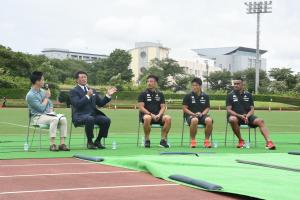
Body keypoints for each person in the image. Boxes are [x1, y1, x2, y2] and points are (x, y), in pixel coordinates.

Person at [69, 71, 117, 149]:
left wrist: (108, 95)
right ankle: (90, 142)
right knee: (89, 119)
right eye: (82, 77)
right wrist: (87, 96)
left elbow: (100, 103)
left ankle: (98, 141)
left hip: (93, 115)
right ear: (77, 80)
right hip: (80, 116)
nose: (84, 79)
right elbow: (77, 104)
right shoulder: (73, 91)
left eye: (85, 77)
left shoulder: (92, 90)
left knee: (106, 120)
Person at [226, 77, 276, 150]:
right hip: (236, 116)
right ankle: (241, 140)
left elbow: (252, 109)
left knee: (260, 121)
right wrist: (240, 116)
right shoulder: (230, 95)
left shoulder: (248, 94)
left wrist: (247, 116)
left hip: (248, 116)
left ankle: (269, 142)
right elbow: (229, 110)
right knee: (232, 119)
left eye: (238, 84)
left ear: (243, 84)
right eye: (235, 84)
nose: (236, 85)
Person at [26, 71, 69, 151]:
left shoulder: (42, 91)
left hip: (48, 115)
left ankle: (62, 144)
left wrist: (51, 110)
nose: (43, 82)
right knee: (54, 119)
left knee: (63, 119)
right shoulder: (30, 95)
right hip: (38, 117)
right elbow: (41, 108)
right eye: (42, 80)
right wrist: (46, 97)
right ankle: (52, 144)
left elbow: (49, 104)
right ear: (36, 81)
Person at [138, 75, 171, 148]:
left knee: (168, 118)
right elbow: (141, 107)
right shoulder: (143, 93)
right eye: (148, 81)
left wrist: (159, 115)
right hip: (147, 115)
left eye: (151, 81)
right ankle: (147, 140)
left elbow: (163, 107)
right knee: (147, 118)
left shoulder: (160, 94)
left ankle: (163, 140)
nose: (149, 83)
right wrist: (150, 114)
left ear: (155, 83)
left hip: (158, 116)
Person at [182, 78, 213, 148]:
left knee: (209, 120)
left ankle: (207, 141)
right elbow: (184, 108)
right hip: (190, 116)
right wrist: (193, 114)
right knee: (194, 120)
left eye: (196, 85)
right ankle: (193, 141)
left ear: (200, 86)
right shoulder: (188, 96)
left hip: (202, 115)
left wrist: (202, 114)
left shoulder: (205, 96)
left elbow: (207, 108)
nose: (194, 87)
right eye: (193, 85)